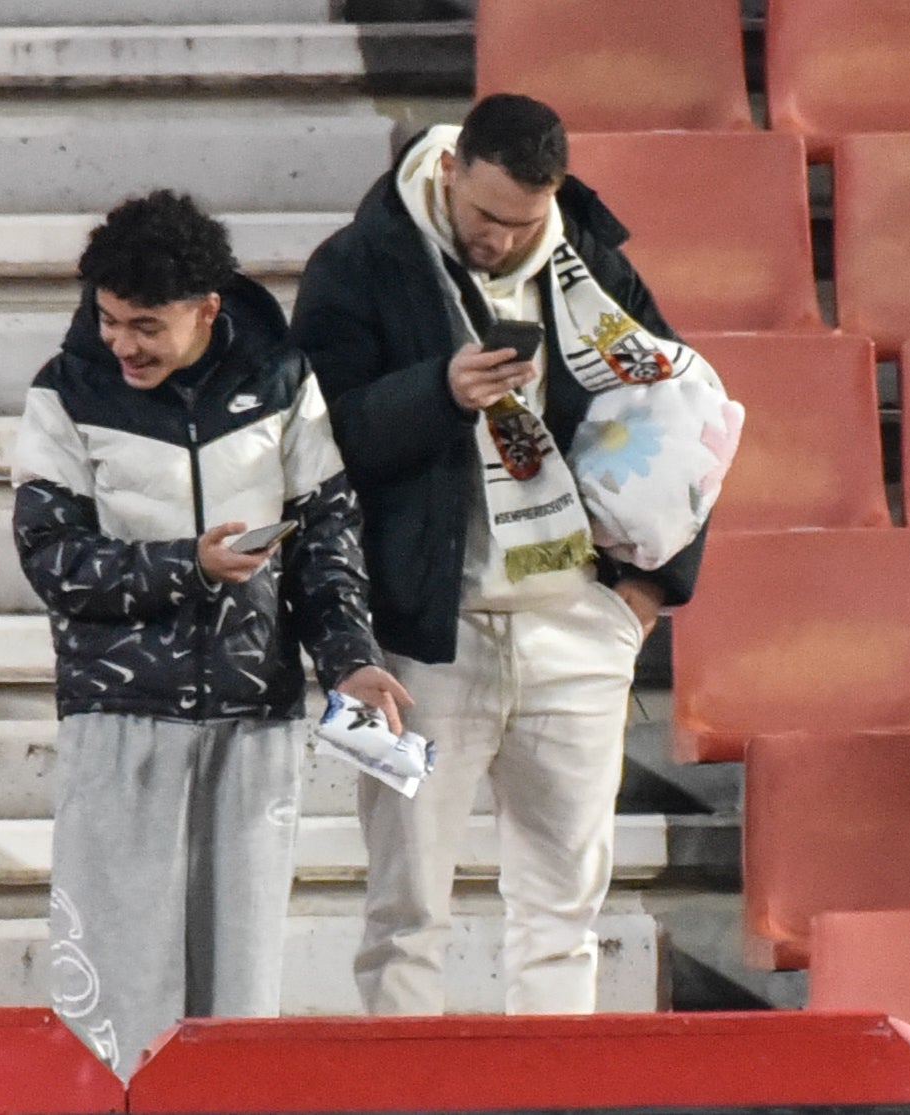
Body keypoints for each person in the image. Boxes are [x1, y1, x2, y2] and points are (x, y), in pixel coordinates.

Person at [287, 94, 711, 1015]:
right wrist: (436, 392)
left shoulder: (589, 261)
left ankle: (554, 1089)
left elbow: (681, 416)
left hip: (574, 627)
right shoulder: (357, 265)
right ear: (448, 170)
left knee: (563, 908)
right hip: (421, 639)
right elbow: (313, 446)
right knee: (405, 908)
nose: (500, 240)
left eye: (522, 223)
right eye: (484, 217)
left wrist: (644, 592)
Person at [11, 190, 410, 1073]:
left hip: (252, 721)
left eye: (145, 325)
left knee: (240, 999)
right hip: (118, 723)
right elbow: (52, 557)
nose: (122, 344)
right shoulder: (65, 393)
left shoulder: (282, 383)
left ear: (206, 310)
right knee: (114, 1002)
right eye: (109, 319)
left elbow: (326, 541)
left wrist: (350, 661)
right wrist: (183, 564)